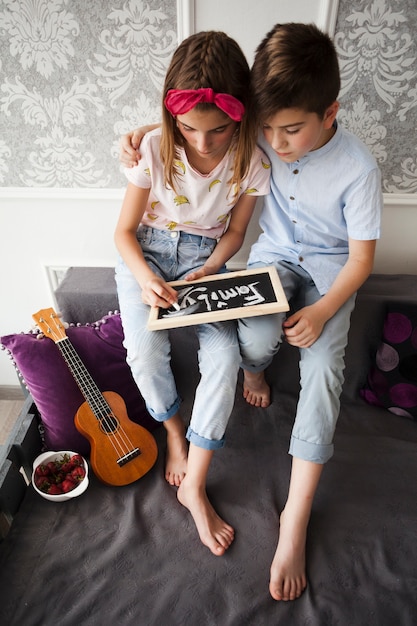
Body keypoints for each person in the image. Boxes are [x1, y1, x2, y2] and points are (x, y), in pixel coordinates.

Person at [119, 23, 382, 602]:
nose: (277, 142)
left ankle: (294, 518)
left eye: (290, 130)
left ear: (329, 112)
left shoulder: (357, 168)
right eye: (267, 128)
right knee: (254, 345)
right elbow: (193, 128)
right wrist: (141, 134)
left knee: (321, 371)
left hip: (334, 274)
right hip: (272, 262)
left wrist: (323, 313)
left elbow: (362, 259)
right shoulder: (252, 134)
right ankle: (256, 372)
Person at [114, 31, 270, 558]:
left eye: (219, 130)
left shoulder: (253, 161)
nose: (203, 144)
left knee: (225, 355)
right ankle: (174, 434)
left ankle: (196, 484)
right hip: (148, 255)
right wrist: (143, 279)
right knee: (143, 349)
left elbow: (235, 233)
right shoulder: (155, 148)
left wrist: (210, 269)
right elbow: (122, 233)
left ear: (240, 117)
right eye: (189, 129)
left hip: (205, 264)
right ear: (171, 119)